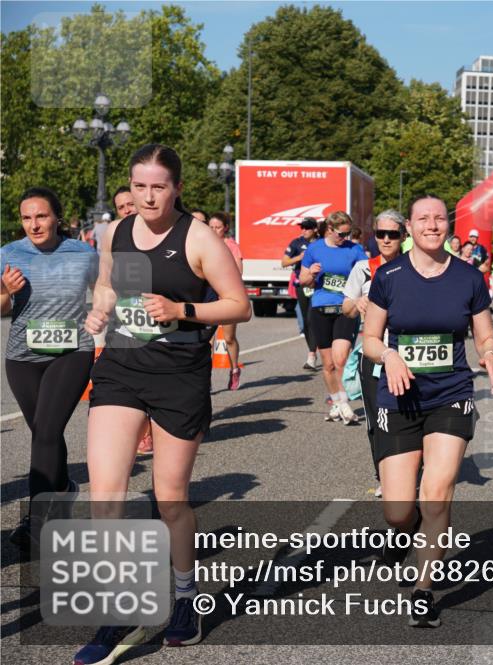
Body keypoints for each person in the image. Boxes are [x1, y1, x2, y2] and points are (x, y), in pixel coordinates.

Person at [74, 144, 250, 664]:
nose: (148, 197)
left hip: (179, 374)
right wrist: (99, 310)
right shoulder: (117, 231)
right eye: (139, 186)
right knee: (106, 493)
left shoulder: (198, 238)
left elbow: (239, 306)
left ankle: (185, 596)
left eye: (159, 186)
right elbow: (108, 286)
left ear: (176, 188)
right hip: (122, 365)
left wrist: (180, 309)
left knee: (170, 498)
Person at [362, 194, 493, 628]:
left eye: (439, 218)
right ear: (409, 226)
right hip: (399, 396)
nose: (432, 225)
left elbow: (484, 334)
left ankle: (423, 591)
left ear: (449, 224)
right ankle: (405, 531)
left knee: (437, 492)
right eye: (423, 218)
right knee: (398, 510)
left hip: (450, 394)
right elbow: (370, 340)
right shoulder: (388, 276)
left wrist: (491, 354)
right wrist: (389, 355)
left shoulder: (468, 277)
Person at [1, 187, 97, 551]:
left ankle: (37, 521)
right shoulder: (9, 254)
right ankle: (64, 489)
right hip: (22, 357)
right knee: (45, 432)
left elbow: (109, 293)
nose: (34, 224)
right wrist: (5, 291)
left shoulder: (83, 254)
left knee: (45, 432)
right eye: (27, 218)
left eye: (41, 216)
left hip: (71, 352)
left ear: (57, 217)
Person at [343, 210, 407, 499]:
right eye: (380, 234)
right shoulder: (363, 268)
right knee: (377, 420)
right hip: (373, 355)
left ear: (403, 236)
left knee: (406, 416)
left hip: (407, 354)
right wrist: (358, 301)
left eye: (392, 234)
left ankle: (410, 471)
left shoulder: (413, 266)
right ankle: (383, 475)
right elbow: (345, 308)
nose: (386, 239)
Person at [299, 211, 368, 423]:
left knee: (341, 359)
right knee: (328, 364)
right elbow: (303, 280)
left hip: (345, 309)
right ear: (330, 229)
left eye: (348, 234)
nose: (345, 238)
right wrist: (311, 273)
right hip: (320, 309)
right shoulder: (314, 249)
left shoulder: (355, 250)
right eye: (341, 234)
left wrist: (362, 297)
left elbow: (367, 275)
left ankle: (344, 403)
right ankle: (337, 403)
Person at [112, 186, 155, 454]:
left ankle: (153, 426)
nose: (127, 210)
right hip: (127, 318)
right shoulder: (115, 235)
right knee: (131, 379)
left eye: (130, 204)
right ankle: (142, 430)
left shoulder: (159, 231)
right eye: (121, 207)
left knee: (153, 377)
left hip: (160, 319)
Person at [208, 212, 244, 390]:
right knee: (207, 340)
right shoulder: (205, 244)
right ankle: (205, 377)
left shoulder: (231, 246)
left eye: (218, 227)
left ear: (226, 228)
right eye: (211, 227)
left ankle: (234, 369)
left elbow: (239, 271)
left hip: (227, 296)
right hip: (208, 296)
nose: (214, 230)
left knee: (229, 338)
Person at [283, 217, 320, 370]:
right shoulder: (296, 243)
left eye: (307, 228)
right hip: (302, 285)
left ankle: (312, 355)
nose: (304, 231)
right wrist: (299, 257)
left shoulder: (321, 243)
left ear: (315, 229)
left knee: (313, 319)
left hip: (318, 285)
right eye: (302, 228)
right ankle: (313, 351)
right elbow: (284, 262)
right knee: (305, 321)